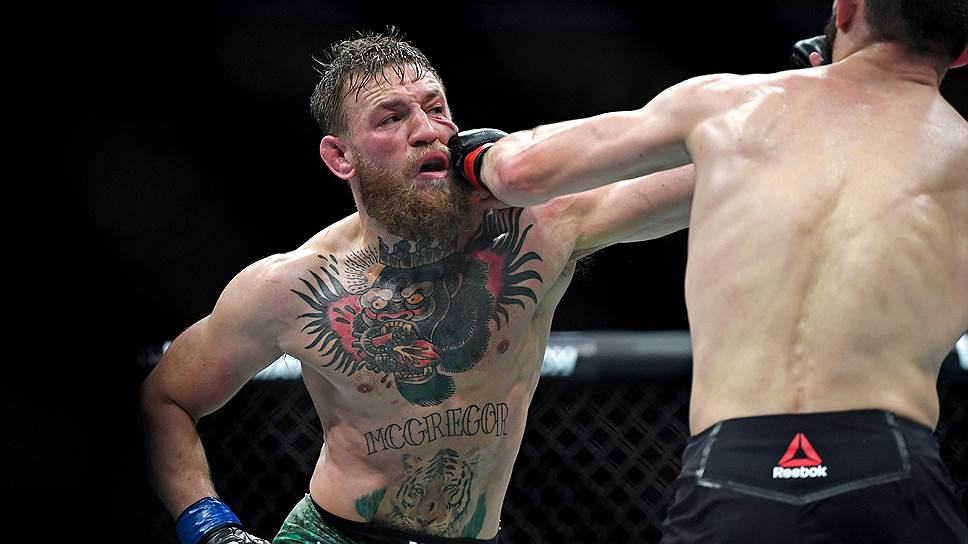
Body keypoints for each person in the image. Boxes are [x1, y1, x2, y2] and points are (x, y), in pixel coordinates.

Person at [139, 29, 696, 544]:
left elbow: (709, 176)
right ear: (340, 157)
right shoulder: (294, 285)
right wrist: (209, 527)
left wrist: (768, 111)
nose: (428, 131)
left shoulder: (541, 227)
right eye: (391, 118)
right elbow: (164, 399)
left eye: (436, 109)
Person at [453, 0, 968, 541]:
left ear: (845, 11)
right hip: (887, 465)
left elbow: (520, 171)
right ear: (961, 55)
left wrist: (476, 157)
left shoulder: (731, 104)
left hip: (732, 468)